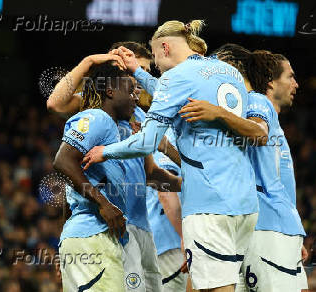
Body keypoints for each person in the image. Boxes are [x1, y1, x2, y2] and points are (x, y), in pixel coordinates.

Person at [82, 20, 258, 292]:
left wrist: (106, 151)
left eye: (153, 58)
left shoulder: (175, 78)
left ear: (164, 47)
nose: (154, 66)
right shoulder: (228, 72)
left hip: (208, 205)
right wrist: (137, 73)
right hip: (245, 203)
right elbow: (173, 92)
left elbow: (148, 141)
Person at [48, 41, 182, 292]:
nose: (138, 82)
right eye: (132, 73)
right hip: (109, 226)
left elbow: (151, 174)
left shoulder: (142, 117)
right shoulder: (94, 112)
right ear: (110, 85)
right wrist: (89, 62)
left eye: (141, 73)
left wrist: (187, 180)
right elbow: (55, 104)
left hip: (140, 228)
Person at [179, 46, 308, 291]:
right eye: (290, 76)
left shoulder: (260, 108)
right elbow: (255, 134)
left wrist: (293, 232)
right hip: (265, 225)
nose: (296, 84)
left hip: (276, 225)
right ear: (270, 82)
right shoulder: (256, 103)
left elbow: (259, 140)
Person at [53, 62, 133, 291]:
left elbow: (72, 185)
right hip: (92, 239)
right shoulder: (98, 118)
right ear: (110, 90)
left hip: (88, 238)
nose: (135, 98)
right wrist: (104, 203)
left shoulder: (112, 132)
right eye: (129, 91)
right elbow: (63, 161)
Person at [146, 127, 187, 292]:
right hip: (170, 240)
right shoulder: (169, 135)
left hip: (160, 238)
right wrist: (185, 234)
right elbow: (165, 191)